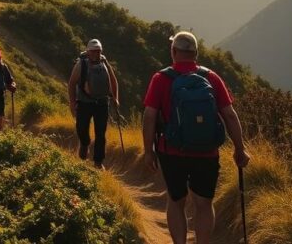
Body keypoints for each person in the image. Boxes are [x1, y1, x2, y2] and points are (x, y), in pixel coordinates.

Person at [141, 31, 251, 244]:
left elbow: (149, 117)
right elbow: (229, 115)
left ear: (174, 51)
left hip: (171, 151)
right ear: (196, 53)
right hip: (207, 152)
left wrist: (148, 152)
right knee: (204, 203)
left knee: (176, 201)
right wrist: (240, 149)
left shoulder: (161, 79)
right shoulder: (211, 78)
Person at [68, 39, 119, 169]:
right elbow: (72, 83)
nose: (96, 53)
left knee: (100, 133)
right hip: (84, 103)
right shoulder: (81, 64)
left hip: (102, 103)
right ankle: (85, 144)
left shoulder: (104, 63)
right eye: (93, 51)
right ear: (88, 51)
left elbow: (113, 81)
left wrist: (115, 98)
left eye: (98, 51)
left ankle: (98, 162)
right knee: (81, 129)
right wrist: (72, 102)